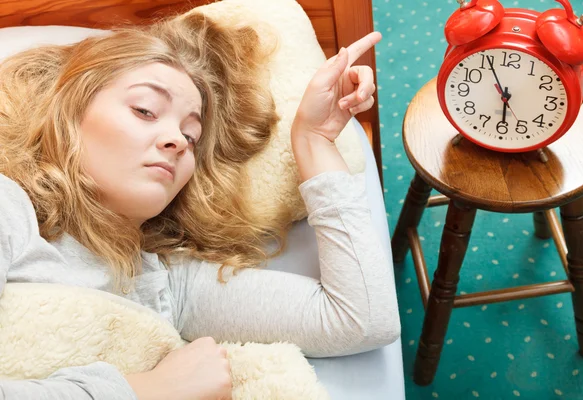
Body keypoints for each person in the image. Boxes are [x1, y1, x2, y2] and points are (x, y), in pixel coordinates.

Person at [0, 10, 399, 400]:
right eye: (144, 110)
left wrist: (314, 140)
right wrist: (149, 390)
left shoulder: (168, 285)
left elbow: (362, 321)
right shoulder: (8, 209)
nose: (175, 139)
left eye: (190, 135)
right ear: (67, 113)